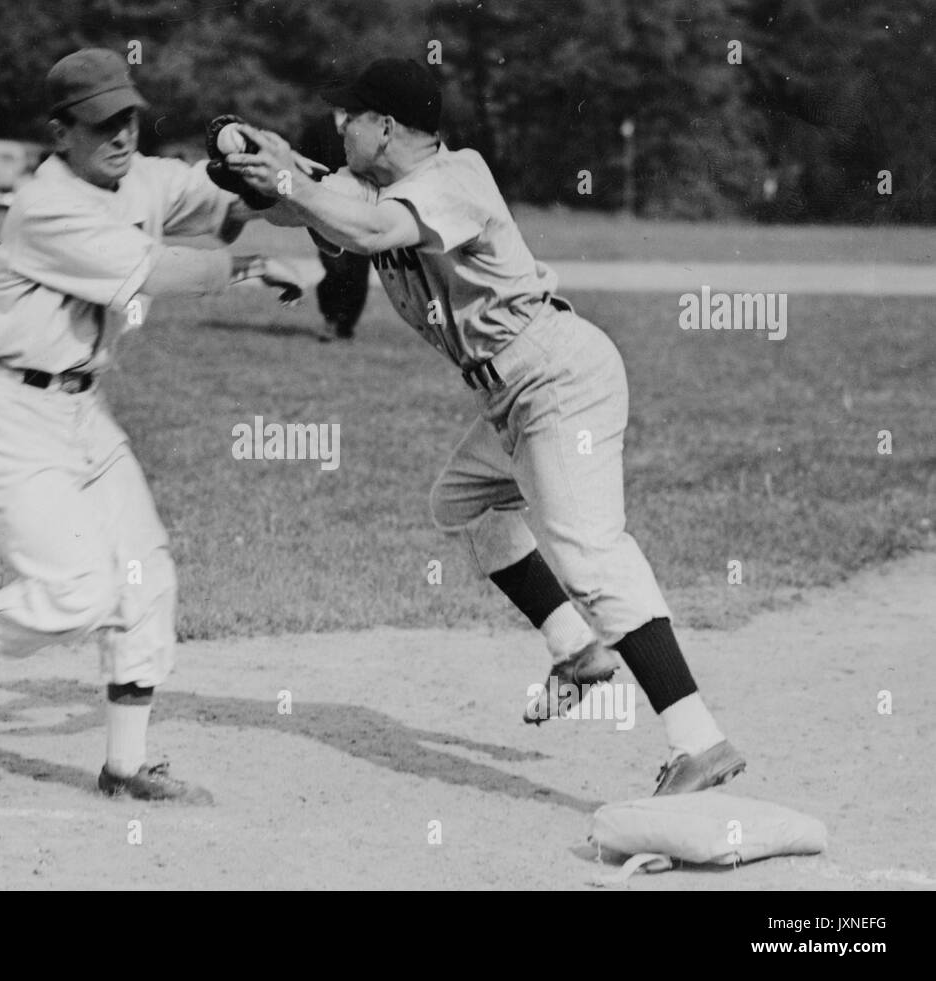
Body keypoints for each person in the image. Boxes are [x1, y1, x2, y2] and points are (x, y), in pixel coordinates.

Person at [224, 59, 745, 795]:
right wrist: (255, 168)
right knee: (461, 503)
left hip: (554, 376)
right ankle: (576, 651)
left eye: (351, 116)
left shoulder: (452, 178)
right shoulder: (375, 185)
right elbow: (306, 204)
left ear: (387, 127)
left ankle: (701, 740)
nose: (339, 126)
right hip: (511, 391)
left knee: (590, 553)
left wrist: (288, 179)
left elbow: (368, 229)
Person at [0, 48, 303, 805]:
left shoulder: (140, 173)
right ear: (60, 132)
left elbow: (225, 210)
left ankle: (124, 766)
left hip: (84, 412)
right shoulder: (45, 206)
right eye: (101, 124)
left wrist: (263, 177)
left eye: (129, 118)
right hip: (8, 417)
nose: (120, 136)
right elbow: (159, 271)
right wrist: (248, 270)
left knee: (147, 577)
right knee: (80, 591)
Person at [297, 109, 370, 341]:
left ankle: (346, 324)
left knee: (358, 272)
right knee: (335, 267)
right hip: (325, 210)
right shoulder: (318, 128)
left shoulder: (367, 127)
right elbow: (303, 165)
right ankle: (330, 319)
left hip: (362, 210)